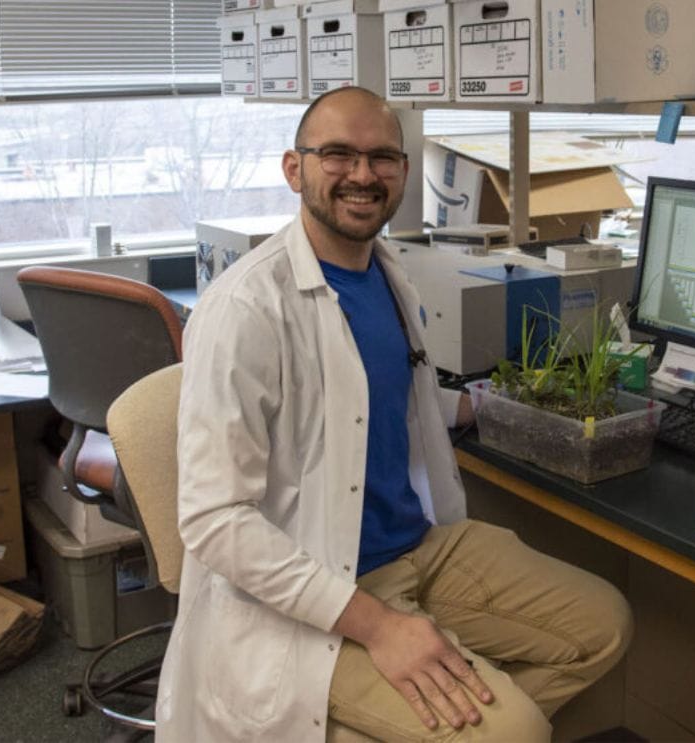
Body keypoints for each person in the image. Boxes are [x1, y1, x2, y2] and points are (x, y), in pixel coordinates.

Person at [161, 86, 632, 742]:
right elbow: (214, 521)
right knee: (514, 731)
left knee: (602, 625)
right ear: (294, 168)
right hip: (312, 595)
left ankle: (438, 716)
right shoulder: (244, 310)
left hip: (415, 548)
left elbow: (363, 400)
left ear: (405, 173)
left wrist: (484, 406)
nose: (362, 174)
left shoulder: (386, 272)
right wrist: (380, 628)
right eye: (337, 155)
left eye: (383, 157)